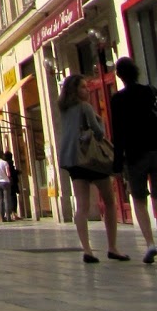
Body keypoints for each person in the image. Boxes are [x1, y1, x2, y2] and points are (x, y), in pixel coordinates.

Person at [58, 72, 127, 263]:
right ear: (74, 90)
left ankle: (87, 250)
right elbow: (98, 132)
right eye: (83, 87)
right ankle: (112, 247)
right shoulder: (85, 107)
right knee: (109, 201)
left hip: (73, 161)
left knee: (82, 206)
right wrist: (100, 124)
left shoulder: (64, 110)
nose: (87, 90)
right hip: (92, 160)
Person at [109, 56, 157, 266]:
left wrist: (117, 163)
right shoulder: (150, 92)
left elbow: (118, 132)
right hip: (155, 148)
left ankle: (150, 243)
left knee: (139, 198)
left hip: (135, 155)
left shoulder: (118, 100)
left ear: (119, 76)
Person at [0, 149, 12, 221]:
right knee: (7, 200)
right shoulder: (5, 163)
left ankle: (2, 217)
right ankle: (8, 217)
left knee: (0, 200)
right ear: (2, 155)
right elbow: (8, 174)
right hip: (5, 182)